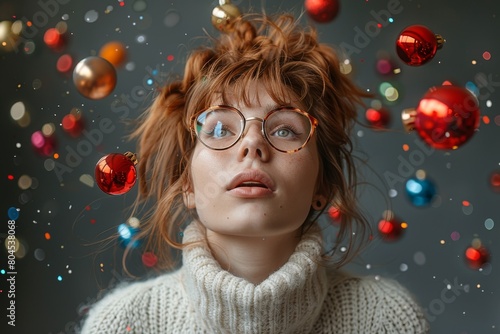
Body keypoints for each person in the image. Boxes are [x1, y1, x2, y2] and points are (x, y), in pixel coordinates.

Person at [81, 12, 429, 333]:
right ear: (186, 181)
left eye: (284, 130)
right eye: (219, 130)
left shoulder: (386, 319)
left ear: (322, 182)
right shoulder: (122, 323)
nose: (252, 145)